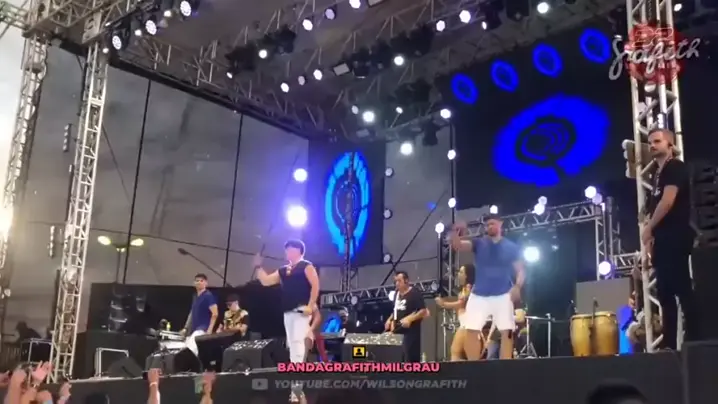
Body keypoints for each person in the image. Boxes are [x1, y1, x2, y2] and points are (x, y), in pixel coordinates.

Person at [641, 128, 697, 350]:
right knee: (665, 292)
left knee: (681, 287)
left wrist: (649, 228)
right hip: (663, 239)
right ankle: (669, 344)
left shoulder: (675, 167)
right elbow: (654, 206)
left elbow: (667, 201)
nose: (652, 145)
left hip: (676, 235)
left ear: (670, 145)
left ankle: (694, 340)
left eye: (657, 141)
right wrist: (650, 240)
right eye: (650, 142)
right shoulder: (657, 174)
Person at [450, 213, 525, 360]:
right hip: (479, 294)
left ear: (500, 224)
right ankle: (474, 366)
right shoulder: (479, 243)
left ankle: (505, 365)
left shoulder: (511, 247)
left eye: (492, 223)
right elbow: (458, 246)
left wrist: (517, 286)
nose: (489, 227)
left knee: (506, 331)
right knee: (471, 329)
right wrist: (456, 233)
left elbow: (520, 270)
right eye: (487, 224)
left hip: (503, 293)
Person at [255, 239, 320, 363]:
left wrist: (310, 306)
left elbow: (315, 285)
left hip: (301, 308)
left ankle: (298, 368)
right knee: (291, 342)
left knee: (298, 339)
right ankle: (294, 366)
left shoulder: (306, 266)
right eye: (287, 249)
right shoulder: (283, 270)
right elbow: (266, 281)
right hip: (287, 310)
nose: (287, 252)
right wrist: (258, 267)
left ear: (298, 250)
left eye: (290, 249)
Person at [384, 271, 430, 362]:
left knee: (409, 358)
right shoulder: (396, 294)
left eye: (399, 281)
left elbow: (423, 311)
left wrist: (410, 319)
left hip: (410, 332)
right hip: (397, 331)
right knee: (397, 358)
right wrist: (389, 319)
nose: (397, 283)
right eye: (395, 281)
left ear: (406, 281)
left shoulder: (414, 293)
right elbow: (396, 310)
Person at [435, 264, 475, 361]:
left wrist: (444, 304)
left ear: (467, 275)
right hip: (465, 324)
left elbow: (461, 303)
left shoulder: (469, 287)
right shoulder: (464, 289)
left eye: (461, 272)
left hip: (467, 325)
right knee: (460, 354)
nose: (458, 275)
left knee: (455, 352)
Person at [180, 273, 219, 355]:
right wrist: (186, 328)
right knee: (185, 349)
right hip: (194, 329)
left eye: (201, 281)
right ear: (194, 283)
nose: (199, 282)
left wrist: (209, 330)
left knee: (190, 350)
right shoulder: (195, 296)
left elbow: (215, 313)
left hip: (203, 329)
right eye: (197, 281)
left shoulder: (208, 296)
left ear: (206, 283)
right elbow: (192, 313)